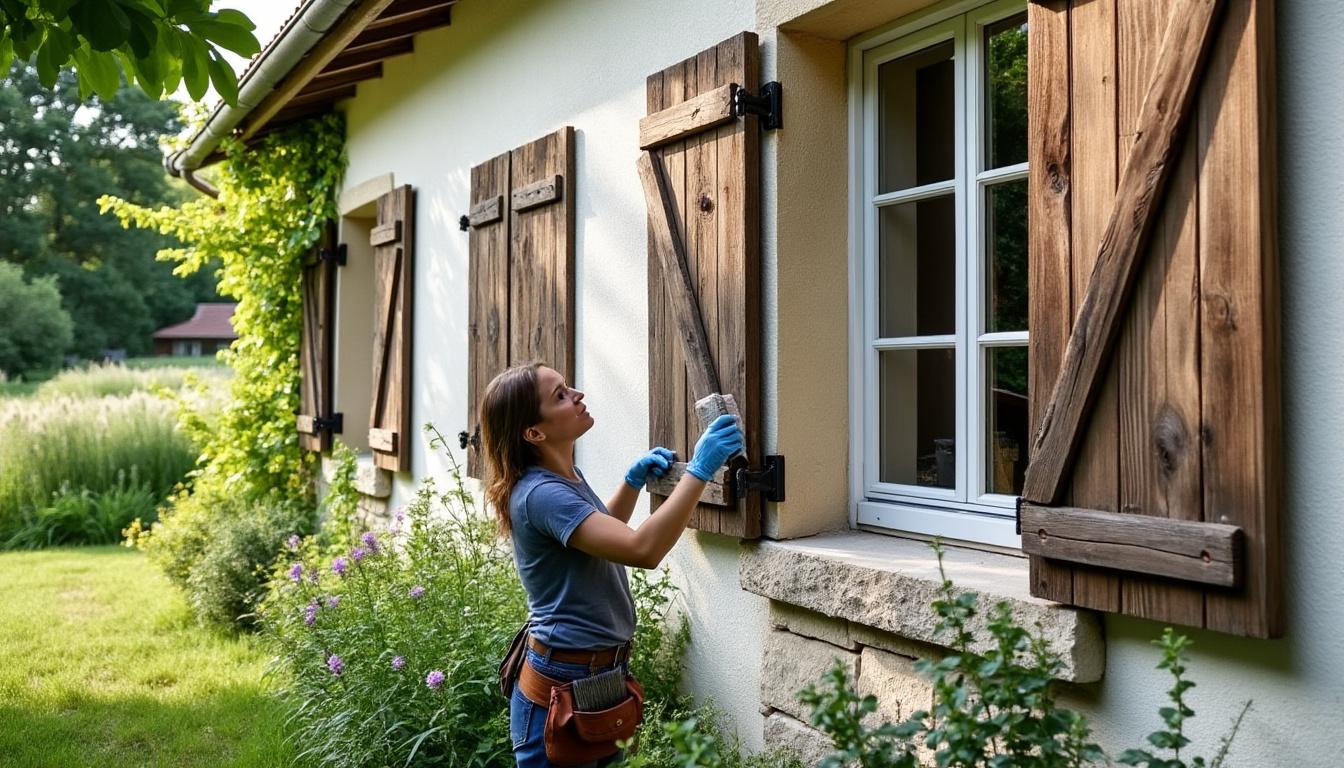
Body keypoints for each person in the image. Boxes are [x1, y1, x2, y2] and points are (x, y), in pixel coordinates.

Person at [478, 361, 744, 768]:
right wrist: (700, 469)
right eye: (561, 395)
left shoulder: (565, 477)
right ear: (534, 433)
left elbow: (600, 538)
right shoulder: (542, 494)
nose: (577, 395)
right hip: (561, 684)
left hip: (594, 678)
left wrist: (631, 483)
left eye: (568, 387)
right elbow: (642, 550)